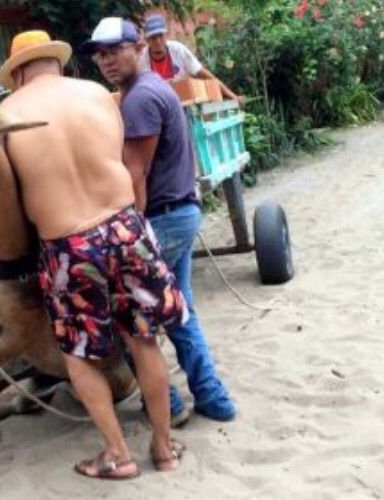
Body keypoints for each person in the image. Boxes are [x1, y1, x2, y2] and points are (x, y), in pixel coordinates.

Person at [0, 30, 188, 479]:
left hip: (68, 244)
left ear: (19, 72)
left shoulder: (5, 115)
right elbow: (118, 160)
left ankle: (118, 455)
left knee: (79, 354)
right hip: (125, 227)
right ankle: (163, 449)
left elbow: (9, 196)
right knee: (143, 339)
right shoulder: (101, 95)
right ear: (56, 64)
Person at [84, 17, 237, 422]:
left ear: (137, 46)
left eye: (114, 50)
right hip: (180, 213)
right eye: (100, 55)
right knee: (181, 311)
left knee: (128, 319)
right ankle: (213, 399)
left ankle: (166, 406)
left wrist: (130, 237)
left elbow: (135, 173)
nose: (107, 61)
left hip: (162, 220)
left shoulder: (140, 98)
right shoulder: (148, 90)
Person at [140, 14, 244, 106]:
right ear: (147, 40)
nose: (158, 41)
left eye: (160, 36)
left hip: (183, 105)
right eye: (153, 37)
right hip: (157, 106)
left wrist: (232, 96)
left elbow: (208, 77)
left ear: (166, 35)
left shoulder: (179, 50)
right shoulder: (142, 60)